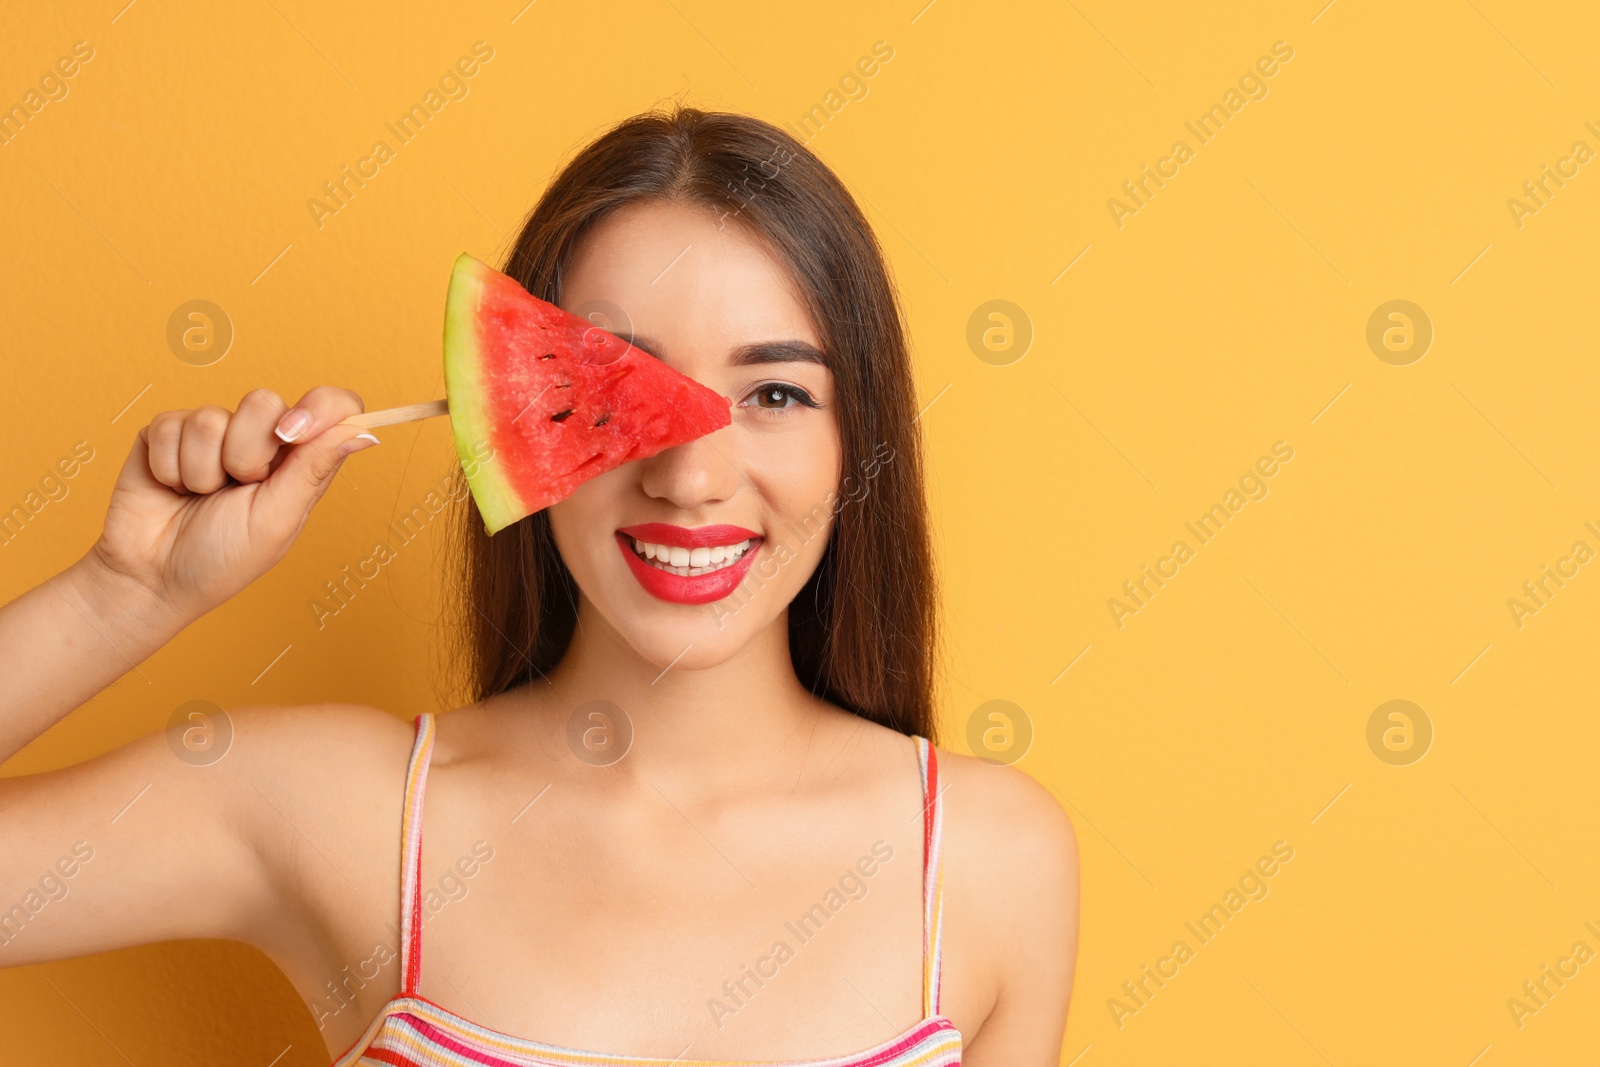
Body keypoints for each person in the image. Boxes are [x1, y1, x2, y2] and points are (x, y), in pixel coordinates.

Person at [0, 107, 1077, 1065]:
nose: (689, 474)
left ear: (862, 440)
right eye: (611, 385)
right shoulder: (348, 812)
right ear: (519, 412)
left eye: (776, 392)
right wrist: (123, 594)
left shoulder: (987, 860)